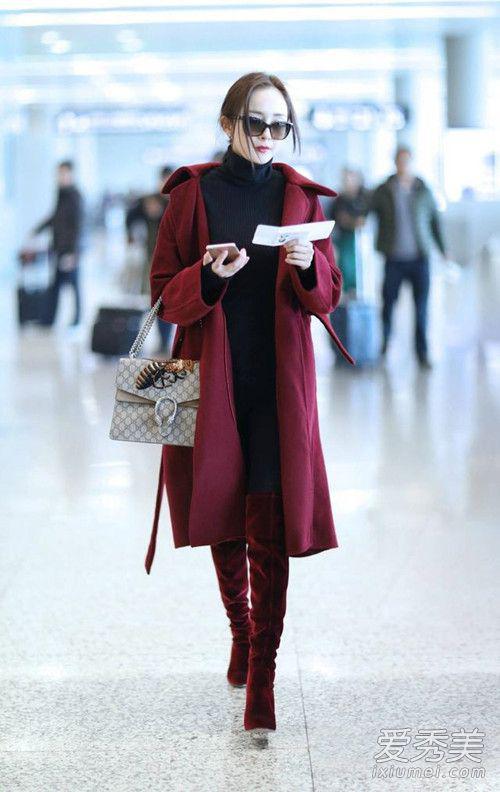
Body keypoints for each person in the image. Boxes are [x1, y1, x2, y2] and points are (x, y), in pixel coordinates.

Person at [147, 71, 353, 742]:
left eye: (279, 124)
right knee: (222, 513)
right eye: (256, 122)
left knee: (269, 514)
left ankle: (262, 670)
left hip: (278, 385)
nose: (268, 136)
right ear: (229, 122)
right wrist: (207, 276)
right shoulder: (193, 196)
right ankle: (239, 629)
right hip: (207, 377)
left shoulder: (300, 198)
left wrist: (308, 265)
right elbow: (162, 293)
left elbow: (329, 293)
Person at [370, 145, 447, 369]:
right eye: (399, 160)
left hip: (419, 259)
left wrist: (443, 249)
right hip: (393, 259)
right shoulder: (384, 189)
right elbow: (367, 209)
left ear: (411, 163)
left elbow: (434, 222)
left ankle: (422, 353)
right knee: (388, 306)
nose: (403, 165)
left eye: (406, 161)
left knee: (421, 308)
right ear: (395, 163)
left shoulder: (423, 190)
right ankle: (384, 348)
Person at [125, 165, 175, 352]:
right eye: (164, 179)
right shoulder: (149, 200)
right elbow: (130, 216)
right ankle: (140, 340)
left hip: (173, 261)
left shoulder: (178, 200)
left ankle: (164, 341)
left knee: (166, 301)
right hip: (151, 259)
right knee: (153, 301)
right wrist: (130, 235)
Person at [32, 160, 83, 326]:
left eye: (64, 173)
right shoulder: (61, 194)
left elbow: (78, 226)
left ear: (71, 174)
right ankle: (48, 319)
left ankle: (76, 319)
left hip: (69, 250)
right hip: (59, 247)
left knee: (73, 286)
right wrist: (38, 229)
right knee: (56, 286)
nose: (61, 177)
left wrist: (73, 252)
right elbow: (55, 217)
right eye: (59, 173)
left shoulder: (75, 196)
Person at [328, 167, 370, 295]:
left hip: (362, 238)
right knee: (346, 265)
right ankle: (348, 291)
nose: (348, 181)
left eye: (351, 178)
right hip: (344, 238)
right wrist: (352, 222)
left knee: (362, 267)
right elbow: (339, 219)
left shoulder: (364, 197)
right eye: (345, 179)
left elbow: (366, 218)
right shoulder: (339, 200)